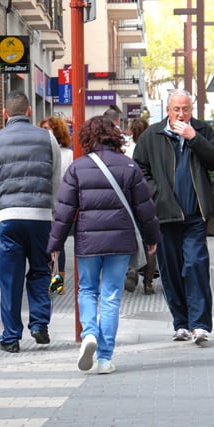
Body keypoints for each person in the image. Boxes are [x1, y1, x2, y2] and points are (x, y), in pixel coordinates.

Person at [48, 115, 160, 374]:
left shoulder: (77, 168)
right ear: (115, 136)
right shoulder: (128, 167)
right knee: (111, 296)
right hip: (121, 241)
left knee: (87, 290)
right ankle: (105, 358)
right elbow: (145, 208)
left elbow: (64, 211)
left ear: (87, 138)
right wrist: (152, 238)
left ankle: (89, 333)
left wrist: (55, 243)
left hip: (88, 241)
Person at [133, 89, 214, 344]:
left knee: (195, 265)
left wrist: (194, 138)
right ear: (168, 110)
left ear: (191, 109)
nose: (181, 114)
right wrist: (156, 193)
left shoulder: (202, 131)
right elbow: (139, 169)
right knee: (171, 271)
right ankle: (181, 323)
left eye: (186, 109)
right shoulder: (152, 135)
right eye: (177, 109)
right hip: (165, 216)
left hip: (195, 215)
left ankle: (200, 325)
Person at [0, 90, 61, 353]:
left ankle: (11, 337)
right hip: (41, 218)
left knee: (9, 279)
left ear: (4, 113)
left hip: (10, 218)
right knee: (40, 271)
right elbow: (56, 178)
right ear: (28, 112)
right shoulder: (48, 138)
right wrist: (50, 206)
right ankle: (39, 325)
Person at [40, 115, 74, 294]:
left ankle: (57, 284)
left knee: (57, 246)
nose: (45, 132)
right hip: (42, 206)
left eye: (49, 128)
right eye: (43, 128)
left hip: (61, 206)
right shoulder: (38, 153)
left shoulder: (68, 155)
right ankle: (48, 280)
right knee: (45, 246)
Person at [123, 118, 157, 294]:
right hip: (149, 198)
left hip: (129, 200)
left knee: (133, 237)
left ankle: (56, 292)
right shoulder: (153, 148)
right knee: (151, 241)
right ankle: (148, 283)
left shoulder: (127, 151)